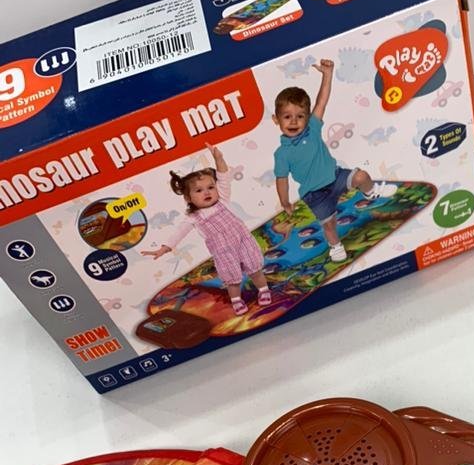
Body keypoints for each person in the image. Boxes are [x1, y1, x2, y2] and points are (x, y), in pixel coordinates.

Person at [273, 59, 396, 262]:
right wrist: (284, 201)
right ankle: (335, 246)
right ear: (276, 119)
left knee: (361, 176)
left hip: (336, 177)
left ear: (307, 118)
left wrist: (327, 74)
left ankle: (371, 191)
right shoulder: (281, 154)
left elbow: (321, 102)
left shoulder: (312, 129)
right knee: (329, 224)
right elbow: (282, 179)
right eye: (287, 117)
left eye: (300, 116)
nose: (294, 121)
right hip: (315, 195)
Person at [143, 143, 272, 316]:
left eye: (211, 187)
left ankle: (263, 290)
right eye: (199, 190)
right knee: (232, 279)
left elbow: (223, 176)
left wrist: (219, 158)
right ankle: (236, 300)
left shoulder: (223, 199)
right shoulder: (193, 218)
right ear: (188, 198)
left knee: (255, 269)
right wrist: (165, 248)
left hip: (243, 242)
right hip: (223, 252)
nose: (207, 192)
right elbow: (178, 233)